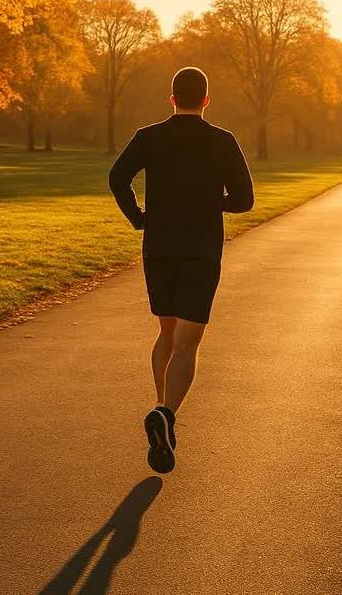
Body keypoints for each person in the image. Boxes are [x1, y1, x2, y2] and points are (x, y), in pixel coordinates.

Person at [108, 66, 255, 474]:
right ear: (207, 100)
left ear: (171, 99)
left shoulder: (149, 137)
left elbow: (117, 176)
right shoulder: (223, 141)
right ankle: (166, 413)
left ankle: (162, 411)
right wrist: (213, 202)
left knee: (167, 333)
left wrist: (139, 217)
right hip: (200, 250)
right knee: (188, 342)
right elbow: (245, 200)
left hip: (159, 247)